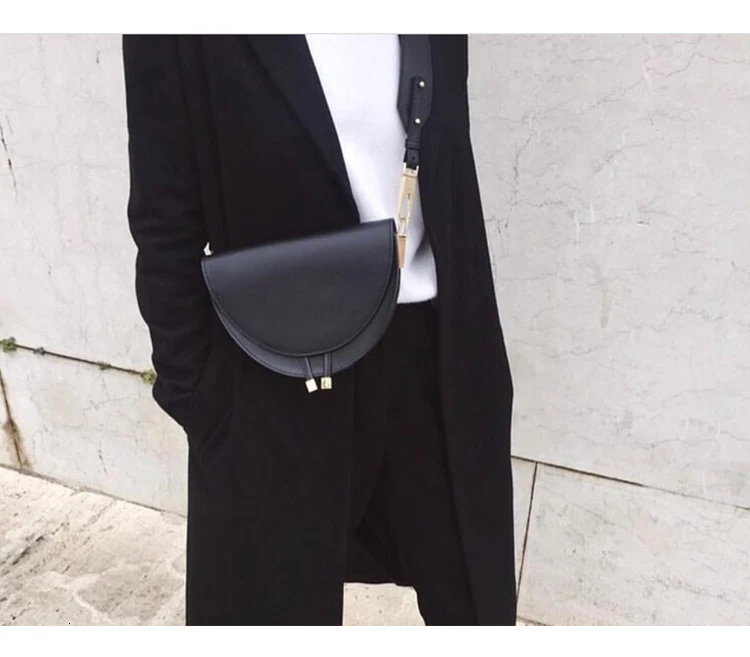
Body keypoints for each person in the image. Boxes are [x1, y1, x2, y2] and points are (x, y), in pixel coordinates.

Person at [122, 33, 516, 626]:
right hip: (272, 364)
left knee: (476, 607)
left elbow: (448, 161)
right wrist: (202, 398)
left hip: (433, 355)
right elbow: (164, 217)